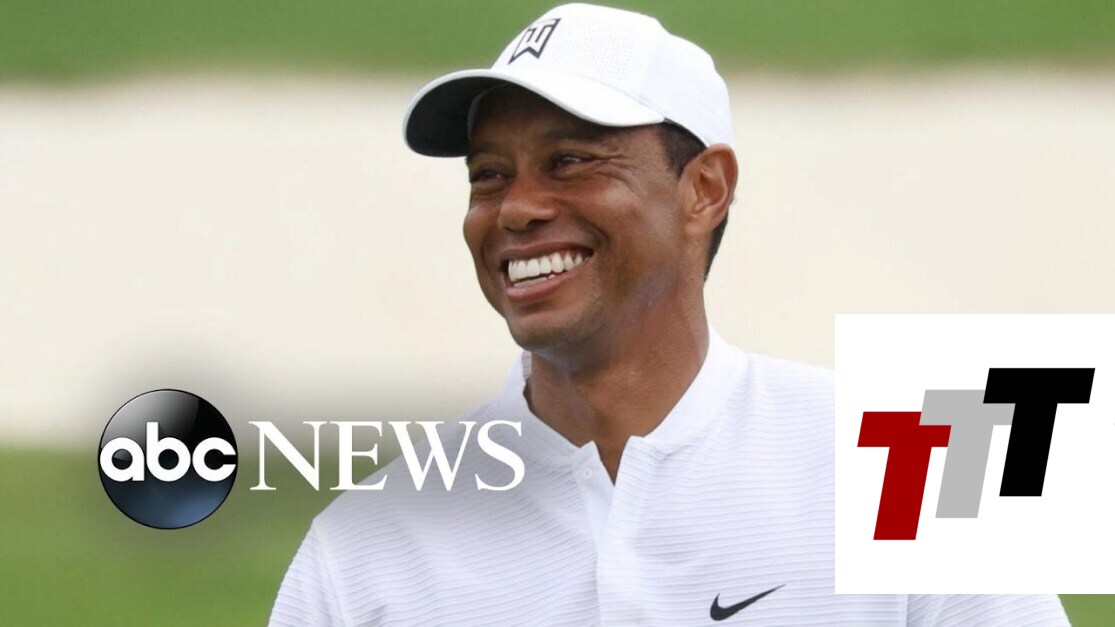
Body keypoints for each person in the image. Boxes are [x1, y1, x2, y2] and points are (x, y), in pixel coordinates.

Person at [269, 4, 1070, 625]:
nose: (515, 208)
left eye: (569, 161)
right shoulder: (366, 543)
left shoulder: (912, 466)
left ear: (704, 190)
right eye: (488, 175)